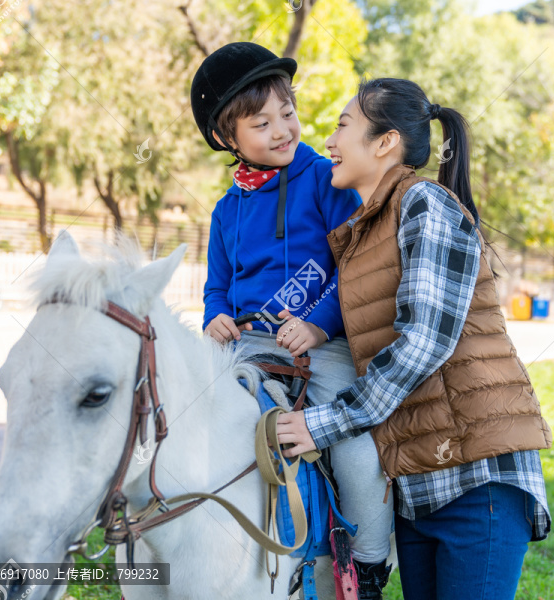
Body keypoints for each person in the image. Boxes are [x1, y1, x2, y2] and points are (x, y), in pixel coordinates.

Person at [276, 78, 553, 600]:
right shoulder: (364, 229)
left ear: (385, 142)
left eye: (342, 126)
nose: (329, 142)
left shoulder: (425, 203)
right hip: (418, 487)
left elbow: (425, 341)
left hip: (478, 480)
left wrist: (323, 424)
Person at [190, 43, 395, 598]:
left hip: (318, 348)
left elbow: (351, 263)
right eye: (262, 124)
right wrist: (214, 317)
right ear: (227, 138)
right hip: (247, 346)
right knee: (187, 416)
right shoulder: (225, 209)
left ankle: (370, 565)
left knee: (354, 440)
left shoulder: (324, 178)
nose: (282, 130)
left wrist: (320, 326)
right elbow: (216, 285)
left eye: (289, 113)